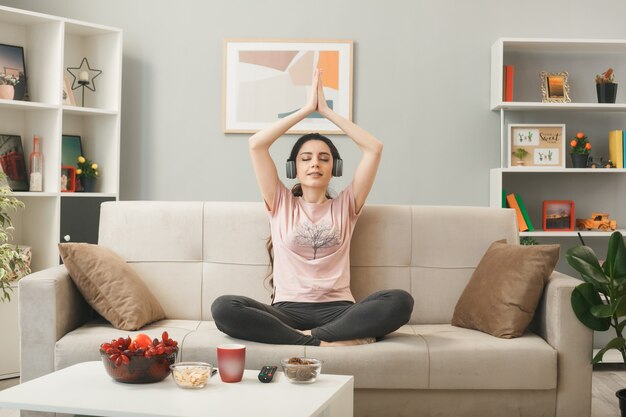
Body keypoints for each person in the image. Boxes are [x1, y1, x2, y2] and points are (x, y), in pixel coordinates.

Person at [211, 69, 414, 346]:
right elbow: (257, 145)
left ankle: (306, 339)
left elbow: (374, 148)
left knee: (400, 301)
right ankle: (325, 342)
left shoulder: (346, 206)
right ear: (294, 168)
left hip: (340, 309)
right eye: (306, 158)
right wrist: (307, 110)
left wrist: (327, 113)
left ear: (335, 168)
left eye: (324, 158)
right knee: (223, 307)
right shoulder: (280, 203)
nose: (315, 163)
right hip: (286, 311)